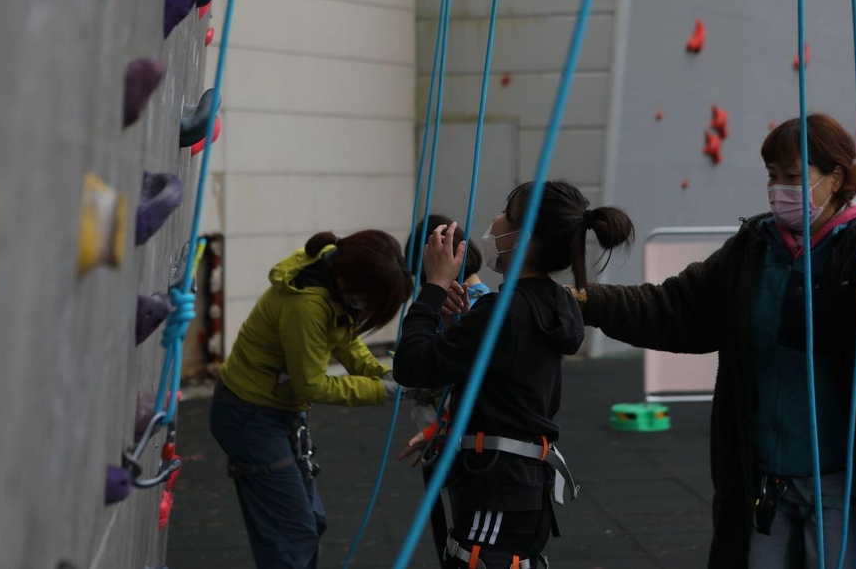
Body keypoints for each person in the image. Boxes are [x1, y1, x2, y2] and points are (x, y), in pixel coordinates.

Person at [569, 114, 856, 569]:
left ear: (836, 178)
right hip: (763, 477)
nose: (778, 188)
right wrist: (584, 301)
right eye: (772, 175)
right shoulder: (754, 246)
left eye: (792, 177)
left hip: (839, 477)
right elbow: (674, 306)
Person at [393, 181, 634, 568]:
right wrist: (460, 327)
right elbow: (503, 373)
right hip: (519, 485)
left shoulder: (503, 312)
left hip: (497, 490)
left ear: (522, 239)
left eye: (506, 212)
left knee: (474, 561)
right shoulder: (553, 303)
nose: (495, 220)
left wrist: (434, 286)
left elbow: (410, 365)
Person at [209, 229, 412, 569]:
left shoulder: (331, 271)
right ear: (353, 284)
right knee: (292, 536)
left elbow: (344, 337)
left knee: (307, 525)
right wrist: (382, 391)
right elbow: (312, 386)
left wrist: (380, 372)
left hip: (274, 412)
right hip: (250, 416)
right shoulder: (307, 306)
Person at [396, 215, 490, 569]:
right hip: (444, 437)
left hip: (457, 442)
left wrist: (436, 428)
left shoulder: (473, 308)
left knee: (459, 542)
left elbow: (466, 384)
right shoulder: (479, 302)